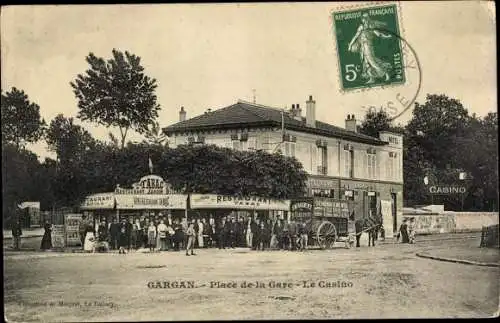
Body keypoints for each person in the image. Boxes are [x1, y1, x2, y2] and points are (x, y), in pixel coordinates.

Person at [348, 12, 393, 84]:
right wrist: (350, 45)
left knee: (372, 61)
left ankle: (386, 74)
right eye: (364, 18)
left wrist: (386, 36)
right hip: (362, 48)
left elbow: (378, 34)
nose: (366, 19)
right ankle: (372, 78)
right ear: (362, 19)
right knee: (366, 63)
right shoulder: (361, 27)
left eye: (367, 18)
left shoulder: (371, 26)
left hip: (368, 46)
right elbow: (356, 36)